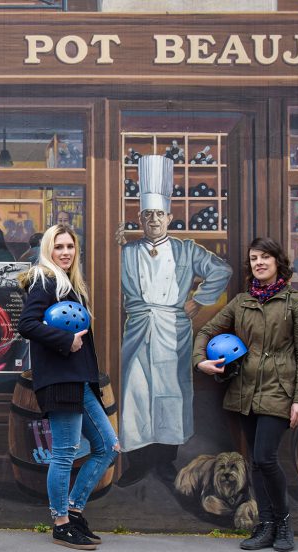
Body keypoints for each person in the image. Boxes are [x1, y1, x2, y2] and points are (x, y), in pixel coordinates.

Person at [117, 155, 232, 485]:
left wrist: (200, 300)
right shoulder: (126, 252)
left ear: (169, 217)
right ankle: (137, 461)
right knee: (136, 393)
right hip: (138, 329)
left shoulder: (187, 250)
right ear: (140, 218)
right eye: (147, 214)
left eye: (159, 214)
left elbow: (221, 270)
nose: (153, 219)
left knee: (171, 393)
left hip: (173, 329)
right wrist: (111, 245)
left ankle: (165, 459)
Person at [195, 236, 298, 552]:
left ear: (277, 261)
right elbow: (206, 331)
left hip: (279, 390)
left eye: (265, 257)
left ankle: (284, 523)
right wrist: (200, 361)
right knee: (256, 463)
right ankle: (266, 525)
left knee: (265, 457)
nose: (259, 263)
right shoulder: (241, 302)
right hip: (245, 390)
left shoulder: (295, 303)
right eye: (253, 258)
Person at [17, 225, 120, 550]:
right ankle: (61, 523)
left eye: (70, 246)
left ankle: (73, 511)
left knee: (107, 446)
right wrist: (65, 340)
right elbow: (27, 324)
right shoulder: (45, 280)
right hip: (60, 380)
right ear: (48, 250)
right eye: (58, 246)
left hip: (80, 381)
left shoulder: (69, 283)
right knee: (64, 454)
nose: (65, 252)